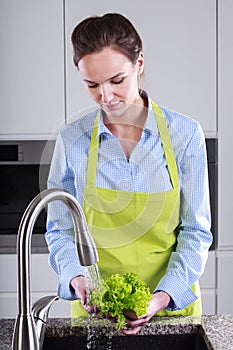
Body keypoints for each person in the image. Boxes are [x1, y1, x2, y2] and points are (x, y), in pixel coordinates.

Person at [45, 13, 212, 335]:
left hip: (172, 308)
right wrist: (77, 280)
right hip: (96, 310)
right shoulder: (72, 139)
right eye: (92, 85)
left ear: (139, 64)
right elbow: (61, 230)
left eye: (116, 81)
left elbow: (196, 231)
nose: (106, 97)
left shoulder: (185, 134)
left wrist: (161, 297)